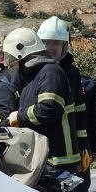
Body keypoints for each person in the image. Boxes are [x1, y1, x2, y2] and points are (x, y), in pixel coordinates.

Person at [8, 27, 81, 175]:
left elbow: (49, 109)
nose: (14, 64)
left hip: (58, 159)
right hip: (44, 156)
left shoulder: (50, 73)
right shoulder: (34, 76)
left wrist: (19, 116)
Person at [37, 16, 88, 166]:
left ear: (64, 45)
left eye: (55, 43)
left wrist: (84, 146)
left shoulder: (72, 73)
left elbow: (80, 112)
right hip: (40, 149)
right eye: (46, 42)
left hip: (69, 152)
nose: (50, 47)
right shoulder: (33, 73)